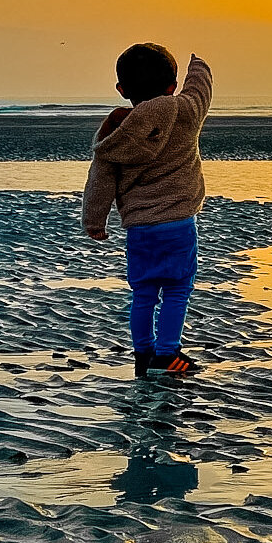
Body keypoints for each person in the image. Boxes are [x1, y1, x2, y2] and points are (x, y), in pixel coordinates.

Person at [82, 43, 212, 377]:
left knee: (143, 292)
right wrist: (197, 64)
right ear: (172, 86)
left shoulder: (116, 135)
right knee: (177, 289)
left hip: (139, 228)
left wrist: (94, 220)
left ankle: (143, 354)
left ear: (122, 90)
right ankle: (167, 355)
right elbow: (200, 91)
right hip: (179, 224)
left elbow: (100, 180)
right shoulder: (184, 111)